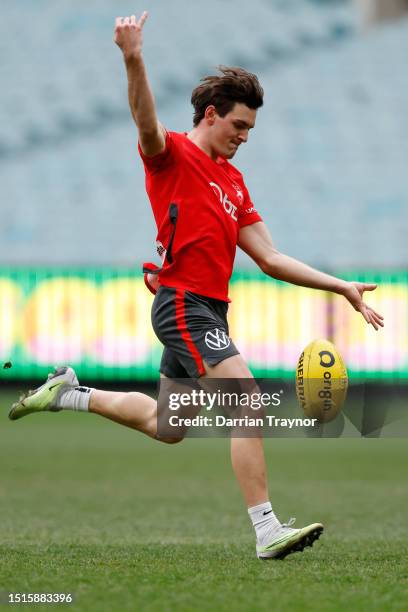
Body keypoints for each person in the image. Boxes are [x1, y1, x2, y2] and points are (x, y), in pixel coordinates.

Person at [9, 12, 384, 560]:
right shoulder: (172, 157)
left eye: (251, 131)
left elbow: (271, 258)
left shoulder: (234, 181)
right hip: (183, 305)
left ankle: (68, 392)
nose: (244, 138)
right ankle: (266, 530)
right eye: (239, 126)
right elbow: (144, 121)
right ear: (212, 114)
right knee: (247, 402)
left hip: (209, 308)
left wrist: (340, 287)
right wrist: (133, 57)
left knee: (168, 425)